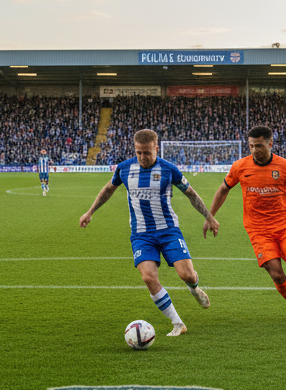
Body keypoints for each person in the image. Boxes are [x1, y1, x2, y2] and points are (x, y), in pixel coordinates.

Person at [80, 129, 216, 337]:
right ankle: (177, 323)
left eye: (147, 153)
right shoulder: (124, 169)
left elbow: (191, 194)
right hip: (141, 235)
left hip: (169, 230)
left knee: (186, 274)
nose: (142, 157)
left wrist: (209, 217)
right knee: (148, 277)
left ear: (156, 148)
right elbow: (108, 189)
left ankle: (194, 288)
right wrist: (90, 211)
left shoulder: (169, 169)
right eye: (138, 152)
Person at [206, 126, 286, 326]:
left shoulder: (285, 166)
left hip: (284, 226)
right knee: (276, 273)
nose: (254, 150)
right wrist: (210, 216)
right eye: (251, 146)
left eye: (258, 146)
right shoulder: (240, 167)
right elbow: (224, 189)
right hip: (257, 231)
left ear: (270, 144)